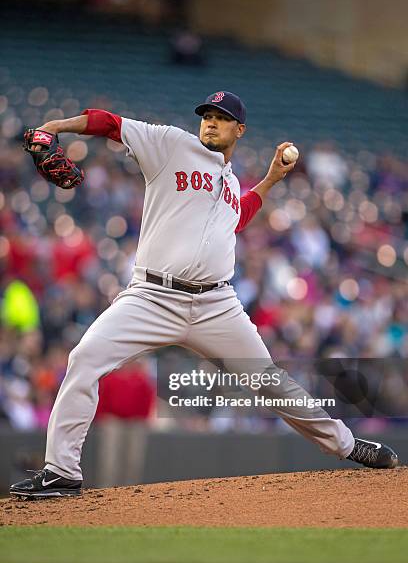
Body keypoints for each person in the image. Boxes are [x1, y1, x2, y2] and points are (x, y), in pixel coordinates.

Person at [10, 91, 398, 499]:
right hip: (152, 296)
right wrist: (55, 127)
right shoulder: (171, 145)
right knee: (83, 359)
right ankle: (61, 471)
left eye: (222, 117)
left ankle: (348, 445)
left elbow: (238, 216)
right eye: (207, 116)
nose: (211, 122)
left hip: (217, 306)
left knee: (269, 381)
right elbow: (108, 122)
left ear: (239, 130)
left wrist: (269, 181)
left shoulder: (230, 182)